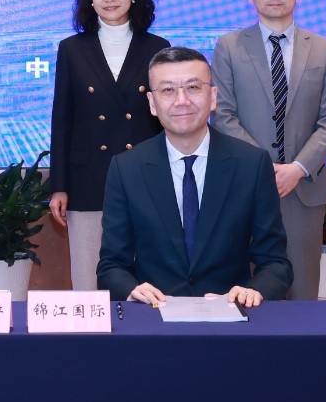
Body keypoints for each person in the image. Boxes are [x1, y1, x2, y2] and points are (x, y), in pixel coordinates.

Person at [97, 47, 292, 305]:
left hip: (230, 314)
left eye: (193, 88)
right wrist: (131, 289)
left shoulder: (251, 164)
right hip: (154, 315)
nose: (182, 101)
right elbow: (111, 266)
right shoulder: (126, 168)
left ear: (213, 97)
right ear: (152, 103)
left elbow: (276, 263)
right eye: (168, 90)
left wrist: (253, 291)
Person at [212, 0, 326, 301]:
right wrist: (263, 168)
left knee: (302, 293)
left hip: (302, 190)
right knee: (245, 293)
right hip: (245, 187)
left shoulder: (323, 50)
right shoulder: (228, 47)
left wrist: (297, 169)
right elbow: (222, 116)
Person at [47, 0, 171, 290]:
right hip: (87, 179)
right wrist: (58, 185)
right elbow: (62, 121)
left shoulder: (158, 48)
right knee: (89, 280)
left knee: (146, 283)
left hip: (145, 177)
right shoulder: (72, 49)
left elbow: (166, 121)